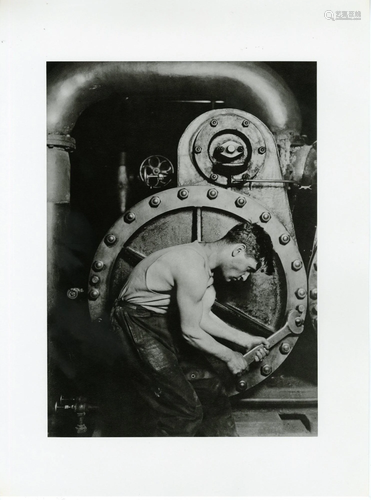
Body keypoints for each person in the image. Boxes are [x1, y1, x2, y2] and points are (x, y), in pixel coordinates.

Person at [110, 222, 274, 437]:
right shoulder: (191, 265)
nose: (245, 277)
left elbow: (202, 318)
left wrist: (246, 340)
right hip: (135, 322)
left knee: (211, 389)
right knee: (184, 410)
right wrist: (230, 356)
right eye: (249, 269)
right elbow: (190, 332)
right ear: (238, 250)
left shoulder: (204, 270)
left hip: (158, 321)